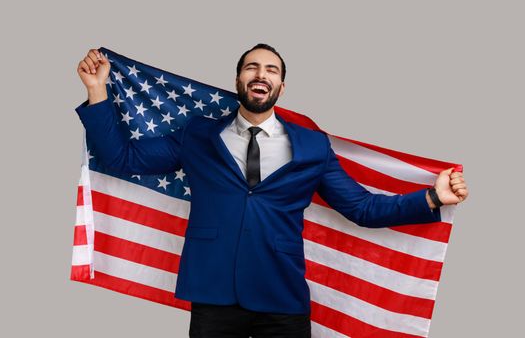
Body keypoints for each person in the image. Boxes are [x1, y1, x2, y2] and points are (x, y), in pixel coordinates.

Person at [76, 44, 468, 338]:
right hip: (213, 298)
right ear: (238, 80)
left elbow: (362, 208)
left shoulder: (313, 147)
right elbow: (122, 158)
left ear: (281, 84)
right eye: (251, 67)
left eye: (270, 69)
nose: (260, 74)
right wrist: (98, 91)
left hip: (282, 298)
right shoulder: (197, 135)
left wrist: (432, 198)